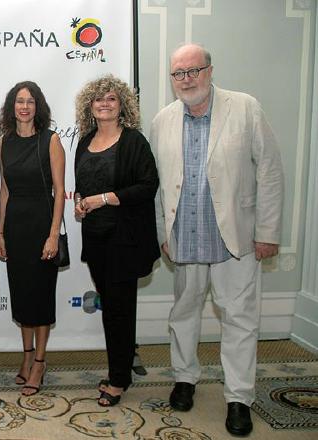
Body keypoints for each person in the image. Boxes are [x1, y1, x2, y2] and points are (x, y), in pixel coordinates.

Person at [151, 44, 283, 436]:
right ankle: (185, 379)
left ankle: (239, 398)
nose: (186, 79)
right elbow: (158, 186)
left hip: (235, 238)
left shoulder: (244, 108)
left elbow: (271, 171)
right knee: (183, 313)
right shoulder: (162, 121)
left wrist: (268, 232)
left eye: (194, 70)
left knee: (239, 319)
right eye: (179, 73)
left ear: (210, 70)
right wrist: (162, 232)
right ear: (172, 79)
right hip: (185, 236)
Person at [73, 74, 160, 407]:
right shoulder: (84, 141)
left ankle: (119, 379)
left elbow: (147, 186)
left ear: (122, 104)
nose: (104, 103)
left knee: (120, 311)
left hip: (125, 240)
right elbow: (84, 186)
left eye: (111, 98)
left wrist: (105, 199)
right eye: (98, 99)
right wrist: (82, 205)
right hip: (95, 239)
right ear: (89, 107)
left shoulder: (134, 141)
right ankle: (119, 369)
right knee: (112, 309)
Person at [0, 81, 65, 396]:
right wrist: (0, 231)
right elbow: (5, 191)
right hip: (16, 228)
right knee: (22, 295)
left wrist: (53, 234)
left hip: (41, 225)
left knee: (40, 297)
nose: (24, 106)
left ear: (38, 106)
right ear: (13, 106)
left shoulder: (50, 140)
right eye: (19, 101)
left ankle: (39, 361)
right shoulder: (2, 144)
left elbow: (60, 192)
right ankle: (25, 358)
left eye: (30, 101)